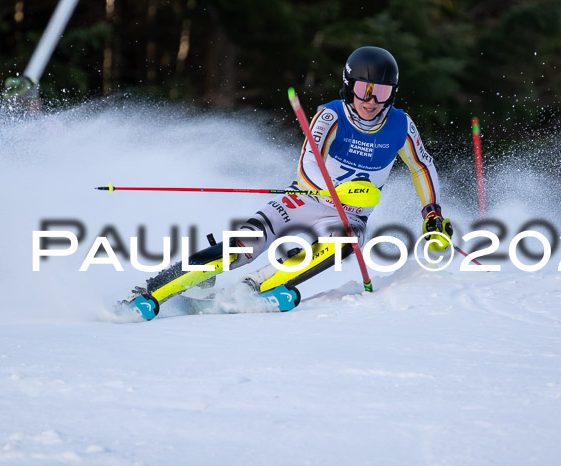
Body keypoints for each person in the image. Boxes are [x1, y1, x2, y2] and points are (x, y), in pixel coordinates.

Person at [123, 46, 453, 317]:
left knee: (344, 243)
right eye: (363, 90)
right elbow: (308, 164)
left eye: (381, 92)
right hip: (303, 200)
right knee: (244, 246)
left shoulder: (401, 125)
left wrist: (431, 213)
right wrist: (332, 191)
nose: (371, 101)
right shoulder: (331, 115)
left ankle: (253, 287)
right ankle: (154, 290)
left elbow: (422, 167)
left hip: (349, 216)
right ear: (348, 86)